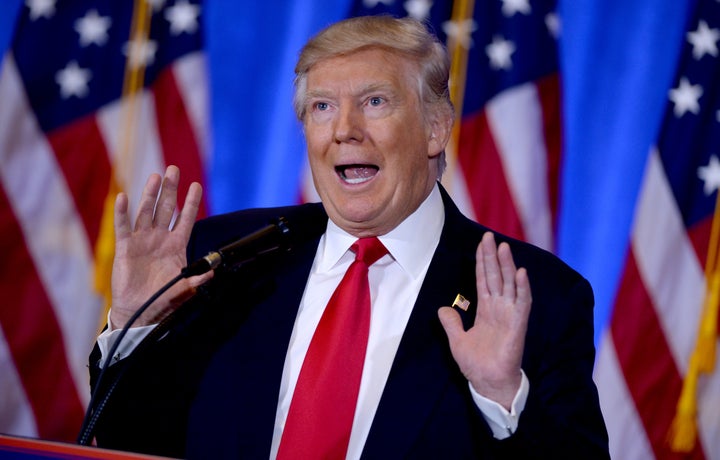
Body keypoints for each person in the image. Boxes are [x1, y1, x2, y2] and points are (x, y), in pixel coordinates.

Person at [89, 15, 609, 459]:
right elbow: (128, 441)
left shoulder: (537, 294)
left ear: (435, 128)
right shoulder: (227, 258)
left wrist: (503, 398)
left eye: (375, 102)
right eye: (322, 107)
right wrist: (136, 328)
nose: (344, 130)